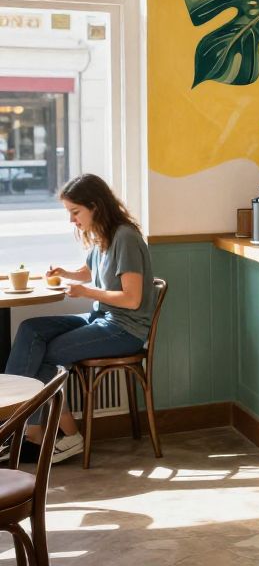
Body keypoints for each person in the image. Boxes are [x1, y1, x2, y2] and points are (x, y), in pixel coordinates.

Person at [5, 173, 155, 464]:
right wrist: (67, 274)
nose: (72, 220)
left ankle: (57, 435)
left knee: (45, 354)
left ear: (95, 206)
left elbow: (132, 298)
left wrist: (85, 291)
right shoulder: (103, 236)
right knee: (31, 329)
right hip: (102, 319)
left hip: (124, 329)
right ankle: (18, 426)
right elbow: (90, 271)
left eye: (75, 212)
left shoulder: (125, 237)